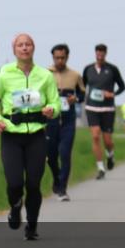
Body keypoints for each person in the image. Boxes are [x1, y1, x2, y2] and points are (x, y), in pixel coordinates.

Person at [0, 33, 60, 241]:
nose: (24, 48)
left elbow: (56, 103)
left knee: (34, 184)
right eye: (20, 45)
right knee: (15, 182)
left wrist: (51, 110)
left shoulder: (45, 76)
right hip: (11, 135)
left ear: (33, 48)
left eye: (28, 44)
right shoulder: (4, 74)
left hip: (36, 134)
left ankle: (32, 225)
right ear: (14, 50)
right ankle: (15, 206)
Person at [46, 43, 85, 201]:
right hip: (50, 119)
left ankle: (62, 188)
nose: (59, 61)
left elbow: (82, 94)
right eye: (57, 58)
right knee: (51, 155)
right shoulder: (45, 73)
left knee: (65, 153)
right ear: (53, 57)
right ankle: (57, 177)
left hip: (68, 120)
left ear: (67, 57)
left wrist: (74, 98)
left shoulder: (75, 75)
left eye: (62, 57)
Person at [81, 44, 125, 179]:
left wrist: (112, 94)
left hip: (107, 108)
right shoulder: (88, 69)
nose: (100, 56)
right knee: (95, 136)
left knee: (107, 140)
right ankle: (100, 168)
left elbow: (122, 86)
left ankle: (110, 155)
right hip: (92, 107)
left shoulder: (112, 69)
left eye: (102, 53)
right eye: (98, 53)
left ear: (105, 54)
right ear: (95, 54)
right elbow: (83, 86)